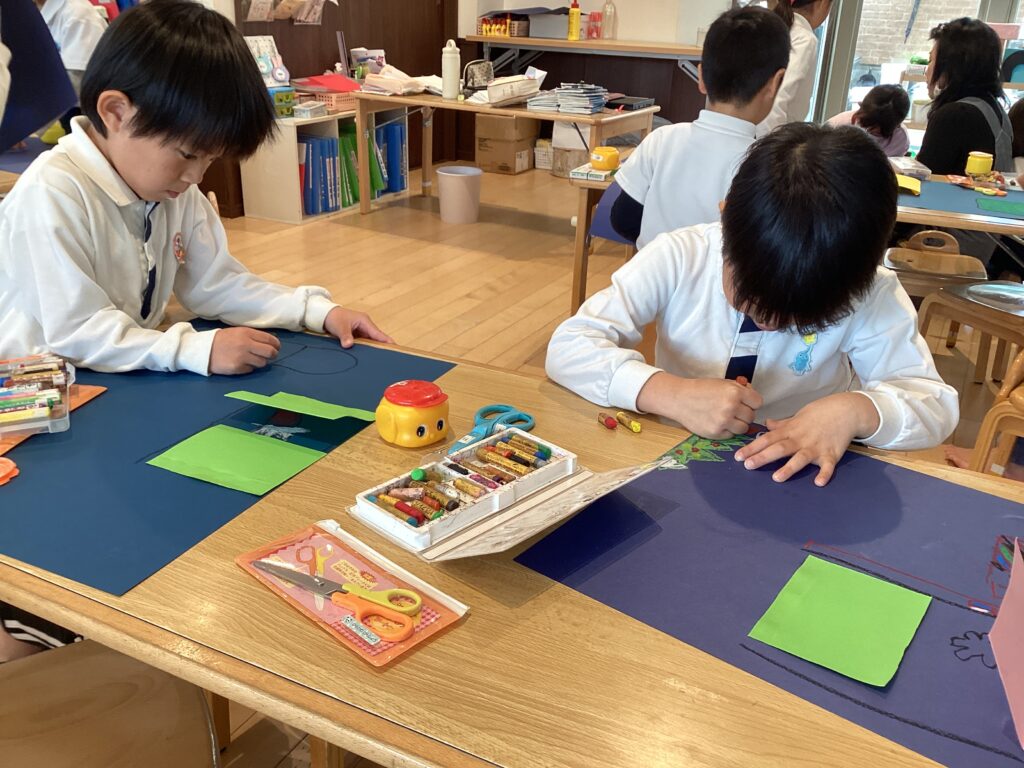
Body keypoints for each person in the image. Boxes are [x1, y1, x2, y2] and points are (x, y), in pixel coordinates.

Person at [0, 0, 391, 662]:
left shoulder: (170, 189)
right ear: (116, 112)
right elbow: (77, 332)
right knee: (61, 571)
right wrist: (197, 346)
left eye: (207, 160)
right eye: (186, 155)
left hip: (113, 389)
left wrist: (314, 310)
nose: (194, 177)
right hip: (33, 409)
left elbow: (217, 285)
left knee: (156, 526)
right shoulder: (53, 191)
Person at [546, 124, 958, 488]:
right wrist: (665, 392)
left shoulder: (870, 290)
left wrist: (857, 410)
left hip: (799, 478)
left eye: (799, 317)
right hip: (672, 460)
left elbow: (935, 406)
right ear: (725, 220)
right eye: (750, 297)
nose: (768, 322)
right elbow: (569, 346)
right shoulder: (679, 255)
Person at [609, 6, 790, 249]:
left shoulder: (661, 140)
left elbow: (622, 219)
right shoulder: (765, 165)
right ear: (775, 82)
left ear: (702, 76)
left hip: (651, 270)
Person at [917, 18, 1012, 175]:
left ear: (951, 66)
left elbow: (925, 176)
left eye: (931, 60)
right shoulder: (994, 109)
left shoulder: (954, 114)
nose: (927, 70)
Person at [756, 0, 832, 136]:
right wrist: (774, 146)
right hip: (770, 138)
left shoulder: (768, 28)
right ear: (822, 3)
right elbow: (776, 102)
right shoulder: (804, 39)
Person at [35, 0, 107, 137]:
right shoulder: (36, 11)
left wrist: (30, 128)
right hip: (64, 106)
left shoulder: (78, 14)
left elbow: (76, 80)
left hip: (90, 113)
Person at [827, 84, 910, 157]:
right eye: (871, 123)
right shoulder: (837, 125)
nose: (875, 130)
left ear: (897, 124)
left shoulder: (900, 138)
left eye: (882, 127)